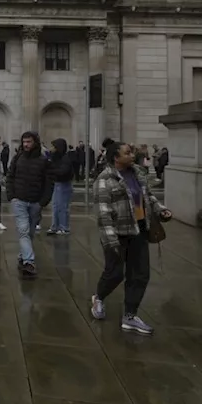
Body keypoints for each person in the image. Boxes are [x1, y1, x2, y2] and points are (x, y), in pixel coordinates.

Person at [91, 141, 173, 335]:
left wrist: (161, 211)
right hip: (118, 234)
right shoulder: (104, 180)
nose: (132, 155)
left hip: (139, 230)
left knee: (140, 274)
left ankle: (130, 315)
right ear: (116, 158)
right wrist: (111, 241)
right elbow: (103, 214)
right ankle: (99, 297)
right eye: (127, 153)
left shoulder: (138, 173)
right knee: (115, 273)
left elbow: (148, 197)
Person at [5, 131, 51, 278]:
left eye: (29, 142)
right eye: (24, 142)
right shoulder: (18, 158)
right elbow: (10, 176)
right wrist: (11, 196)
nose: (26, 144)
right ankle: (29, 262)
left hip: (36, 201)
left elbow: (49, 183)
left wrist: (43, 201)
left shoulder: (43, 161)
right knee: (23, 230)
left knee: (30, 232)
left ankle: (23, 254)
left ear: (35, 142)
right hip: (19, 200)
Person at [46, 138, 74, 235]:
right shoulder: (55, 157)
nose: (52, 148)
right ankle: (55, 226)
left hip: (64, 184)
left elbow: (63, 171)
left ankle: (64, 227)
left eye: (54, 146)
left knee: (62, 207)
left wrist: (52, 171)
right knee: (55, 206)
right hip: (57, 183)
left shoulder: (65, 158)